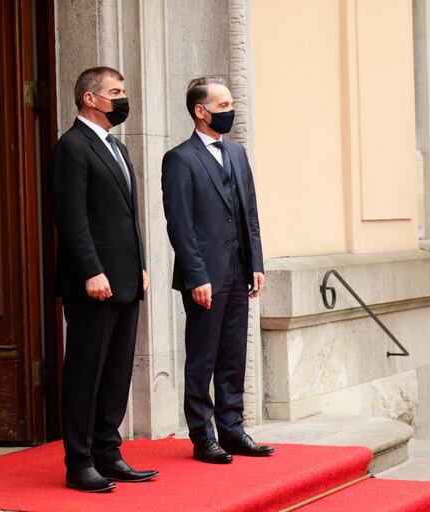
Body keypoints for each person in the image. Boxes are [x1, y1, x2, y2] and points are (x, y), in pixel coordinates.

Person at [50, 66, 158, 492]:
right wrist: (92, 270)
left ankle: (108, 452)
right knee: (85, 373)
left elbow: (128, 217)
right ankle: (79, 463)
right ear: (90, 99)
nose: (122, 98)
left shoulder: (117, 148)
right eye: (115, 92)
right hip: (92, 284)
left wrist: (141, 265)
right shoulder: (72, 147)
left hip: (126, 280)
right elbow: (72, 218)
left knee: (115, 372)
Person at [161, 77, 274, 464]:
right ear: (201, 111)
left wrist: (256, 263)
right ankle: (202, 434)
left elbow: (250, 214)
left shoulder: (238, 154)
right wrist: (196, 276)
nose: (230, 111)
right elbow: (180, 224)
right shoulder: (180, 159)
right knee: (202, 357)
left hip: (238, 271)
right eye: (223, 105)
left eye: (231, 104)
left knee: (232, 355)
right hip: (204, 277)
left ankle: (232, 427)